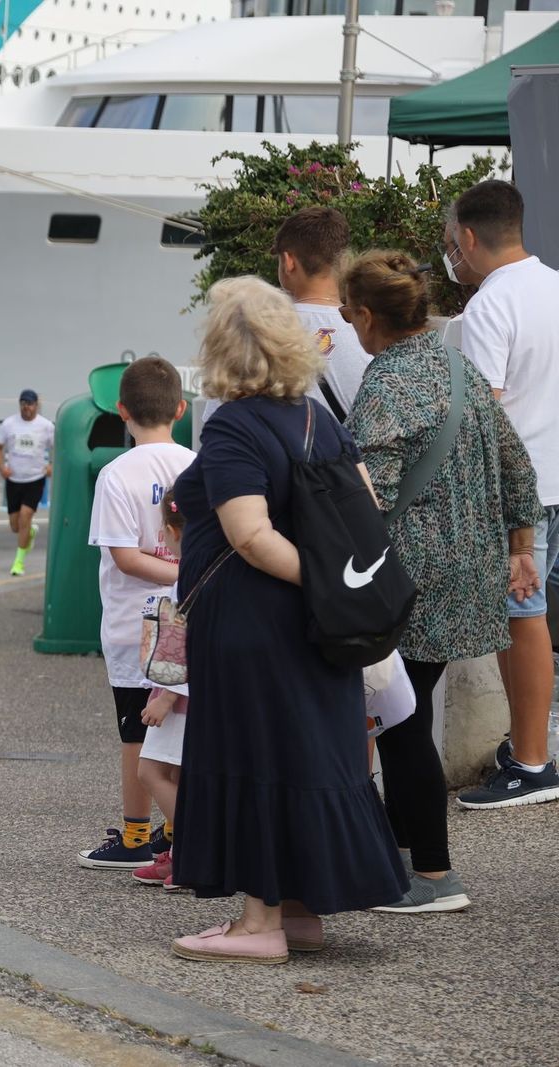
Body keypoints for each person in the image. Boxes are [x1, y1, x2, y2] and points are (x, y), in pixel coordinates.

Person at [169, 276, 407, 966]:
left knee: (255, 756)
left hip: (254, 624)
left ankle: (257, 923)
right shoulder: (318, 418)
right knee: (308, 751)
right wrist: (336, 587)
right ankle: (301, 912)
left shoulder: (235, 426)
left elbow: (249, 534)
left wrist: (320, 578)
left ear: (222, 345)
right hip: (317, 628)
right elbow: (365, 502)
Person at [344, 250, 542, 912]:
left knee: (400, 720)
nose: (348, 326)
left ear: (368, 316)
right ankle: (403, 858)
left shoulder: (385, 384)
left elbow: (370, 495)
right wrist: (521, 546)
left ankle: (431, 873)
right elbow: (518, 464)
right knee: (407, 707)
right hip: (470, 570)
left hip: (409, 576)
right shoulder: (459, 368)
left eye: (349, 314)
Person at [446, 180, 559, 806]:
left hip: (523, 492)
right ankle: (525, 748)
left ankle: (534, 764)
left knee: (523, 620)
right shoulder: (555, 285)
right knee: (534, 619)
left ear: (466, 237)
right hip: (556, 478)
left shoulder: (490, 306)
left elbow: (483, 416)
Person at [80, 357, 192, 871]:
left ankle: (134, 837)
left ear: (121, 410)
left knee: (135, 732)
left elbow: (124, 558)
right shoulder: (198, 465)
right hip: (191, 621)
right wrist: (193, 577)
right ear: (181, 408)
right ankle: (171, 832)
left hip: (134, 626)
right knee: (182, 729)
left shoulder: (115, 474)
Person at [198, 207, 371, 432]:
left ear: (288, 261)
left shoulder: (253, 329)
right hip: (348, 466)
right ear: (342, 261)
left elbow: (216, 423)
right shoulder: (371, 330)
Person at [133, 489, 188, 890]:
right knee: (177, 774)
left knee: (149, 771)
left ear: (171, 531)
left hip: (177, 696)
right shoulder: (209, 570)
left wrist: (166, 698)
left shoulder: (185, 579)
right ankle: (184, 853)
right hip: (188, 696)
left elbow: (182, 643)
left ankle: (188, 850)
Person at [0, 389, 54, 575]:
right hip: (14, 479)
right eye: (23, 403)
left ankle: (18, 563)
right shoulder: (9, 424)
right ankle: (30, 533)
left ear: (37, 405)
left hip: (35, 479)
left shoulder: (45, 426)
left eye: (30, 404)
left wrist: (52, 465)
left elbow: (59, 447)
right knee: (15, 525)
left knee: (25, 516)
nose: (26, 407)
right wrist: (1, 468)